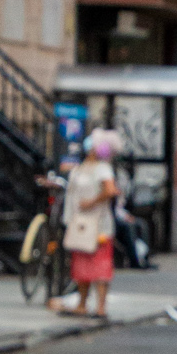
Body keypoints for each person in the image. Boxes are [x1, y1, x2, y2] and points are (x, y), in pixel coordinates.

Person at [58, 130, 120, 321]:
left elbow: (111, 190)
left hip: (98, 225)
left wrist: (92, 202)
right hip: (80, 224)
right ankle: (82, 303)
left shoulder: (102, 168)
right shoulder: (82, 167)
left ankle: (100, 306)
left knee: (100, 264)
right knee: (81, 263)